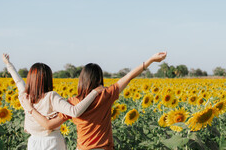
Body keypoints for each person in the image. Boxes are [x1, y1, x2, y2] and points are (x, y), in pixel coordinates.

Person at [22, 52, 167, 150]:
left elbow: (48, 124)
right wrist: (150, 60)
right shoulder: (106, 95)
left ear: (81, 80)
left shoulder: (72, 102)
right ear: (100, 80)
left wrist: (30, 110)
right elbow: (128, 77)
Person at [2, 53, 104, 150]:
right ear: (48, 79)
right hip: (52, 141)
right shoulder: (51, 97)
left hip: (33, 142)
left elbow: (18, 81)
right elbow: (75, 112)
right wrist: (94, 92)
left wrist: (8, 64)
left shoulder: (25, 97)